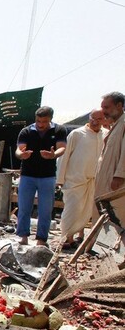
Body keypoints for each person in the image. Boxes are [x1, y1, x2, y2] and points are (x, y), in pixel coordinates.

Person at [15, 106, 67, 246]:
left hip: (47, 176)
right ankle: (23, 236)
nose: (40, 124)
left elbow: (62, 147)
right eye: (38, 121)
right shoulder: (26, 131)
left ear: (50, 119)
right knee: (24, 207)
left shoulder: (59, 130)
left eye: (44, 122)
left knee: (45, 209)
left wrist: (54, 155)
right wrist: (21, 155)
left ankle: (41, 239)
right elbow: (18, 150)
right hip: (27, 175)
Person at [56, 108, 106, 249]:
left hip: (94, 181)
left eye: (99, 119)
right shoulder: (77, 134)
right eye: (93, 118)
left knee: (86, 210)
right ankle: (66, 239)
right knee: (72, 209)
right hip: (75, 180)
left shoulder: (105, 134)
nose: (95, 122)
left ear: (104, 120)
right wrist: (60, 179)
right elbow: (64, 156)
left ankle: (78, 237)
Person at [95, 91, 125, 223]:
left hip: (117, 184)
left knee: (117, 219)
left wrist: (120, 175)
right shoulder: (116, 125)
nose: (104, 111)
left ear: (119, 105)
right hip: (106, 181)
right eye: (102, 108)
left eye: (106, 107)